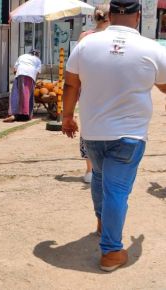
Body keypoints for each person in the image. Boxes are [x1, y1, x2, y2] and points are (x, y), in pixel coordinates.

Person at [62, 0, 166, 272]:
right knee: (116, 190)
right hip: (130, 137)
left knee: (98, 176)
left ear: (110, 15)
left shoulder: (85, 45)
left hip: (94, 133)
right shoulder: (152, 48)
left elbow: (71, 84)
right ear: (138, 15)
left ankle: (101, 221)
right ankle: (110, 252)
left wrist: (67, 117)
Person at [78, 4, 110, 183]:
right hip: (111, 90)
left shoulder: (85, 36)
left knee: (88, 128)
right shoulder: (116, 37)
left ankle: (90, 170)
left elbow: (75, 66)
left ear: (94, 18)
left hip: (88, 90)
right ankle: (107, 168)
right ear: (110, 17)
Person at [3, 49, 42, 122]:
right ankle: (25, 115)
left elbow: (15, 70)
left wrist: (18, 76)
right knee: (27, 95)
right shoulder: (38, 60)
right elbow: (37, 72)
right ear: (37, 54)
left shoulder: (22, 56)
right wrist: (34, 81)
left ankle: (13, 113)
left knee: (16, 94)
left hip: (19, 74)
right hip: (30, 75)